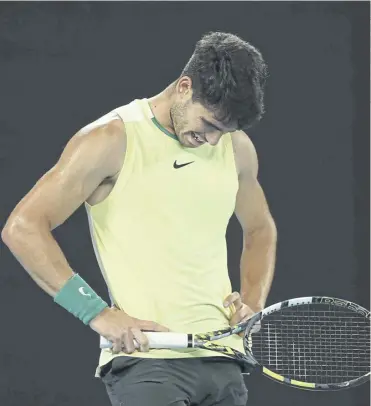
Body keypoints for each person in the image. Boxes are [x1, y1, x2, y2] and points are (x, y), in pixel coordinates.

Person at [2, 31, 277, 406]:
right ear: (184, 87)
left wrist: (253, 305)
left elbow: (260, 230)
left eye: (224, 131)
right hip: (150, 365)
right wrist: (97, 313)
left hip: (224, 362)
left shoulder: (236, 148)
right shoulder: (111, 139)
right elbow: (23, 227)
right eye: (210, 124)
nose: (213, 141)